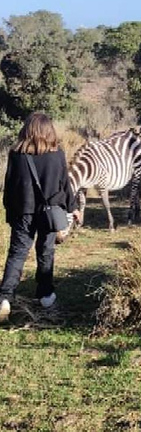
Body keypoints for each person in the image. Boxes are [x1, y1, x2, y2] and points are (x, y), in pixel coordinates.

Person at [0, 112, 81, 322]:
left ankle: (5, 299)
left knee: (17, 254)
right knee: (46, 252)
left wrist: (9, 210)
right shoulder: (58, 155)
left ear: (27, 130)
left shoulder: (15, 154)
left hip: (22, 212)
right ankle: (45, 295)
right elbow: (65, 185)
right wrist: (73, 207)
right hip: (50, 213)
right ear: (49, 131)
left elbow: (8, 187)